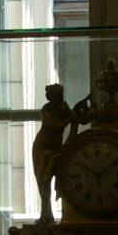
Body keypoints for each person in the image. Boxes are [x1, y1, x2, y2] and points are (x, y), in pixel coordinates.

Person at [32, 82, 92, 223]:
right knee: (43, 181)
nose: (60, 97)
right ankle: (45, 214)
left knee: (59, 179)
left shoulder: (63, 106)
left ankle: (48, 214)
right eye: (56, 95)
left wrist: (87, 114)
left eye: (60, 95)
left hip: (57, 148)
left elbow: (78, 119)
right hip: (42, 148)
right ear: (50, 97)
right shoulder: (46, 109)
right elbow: (54, 125)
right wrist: (71, 118)